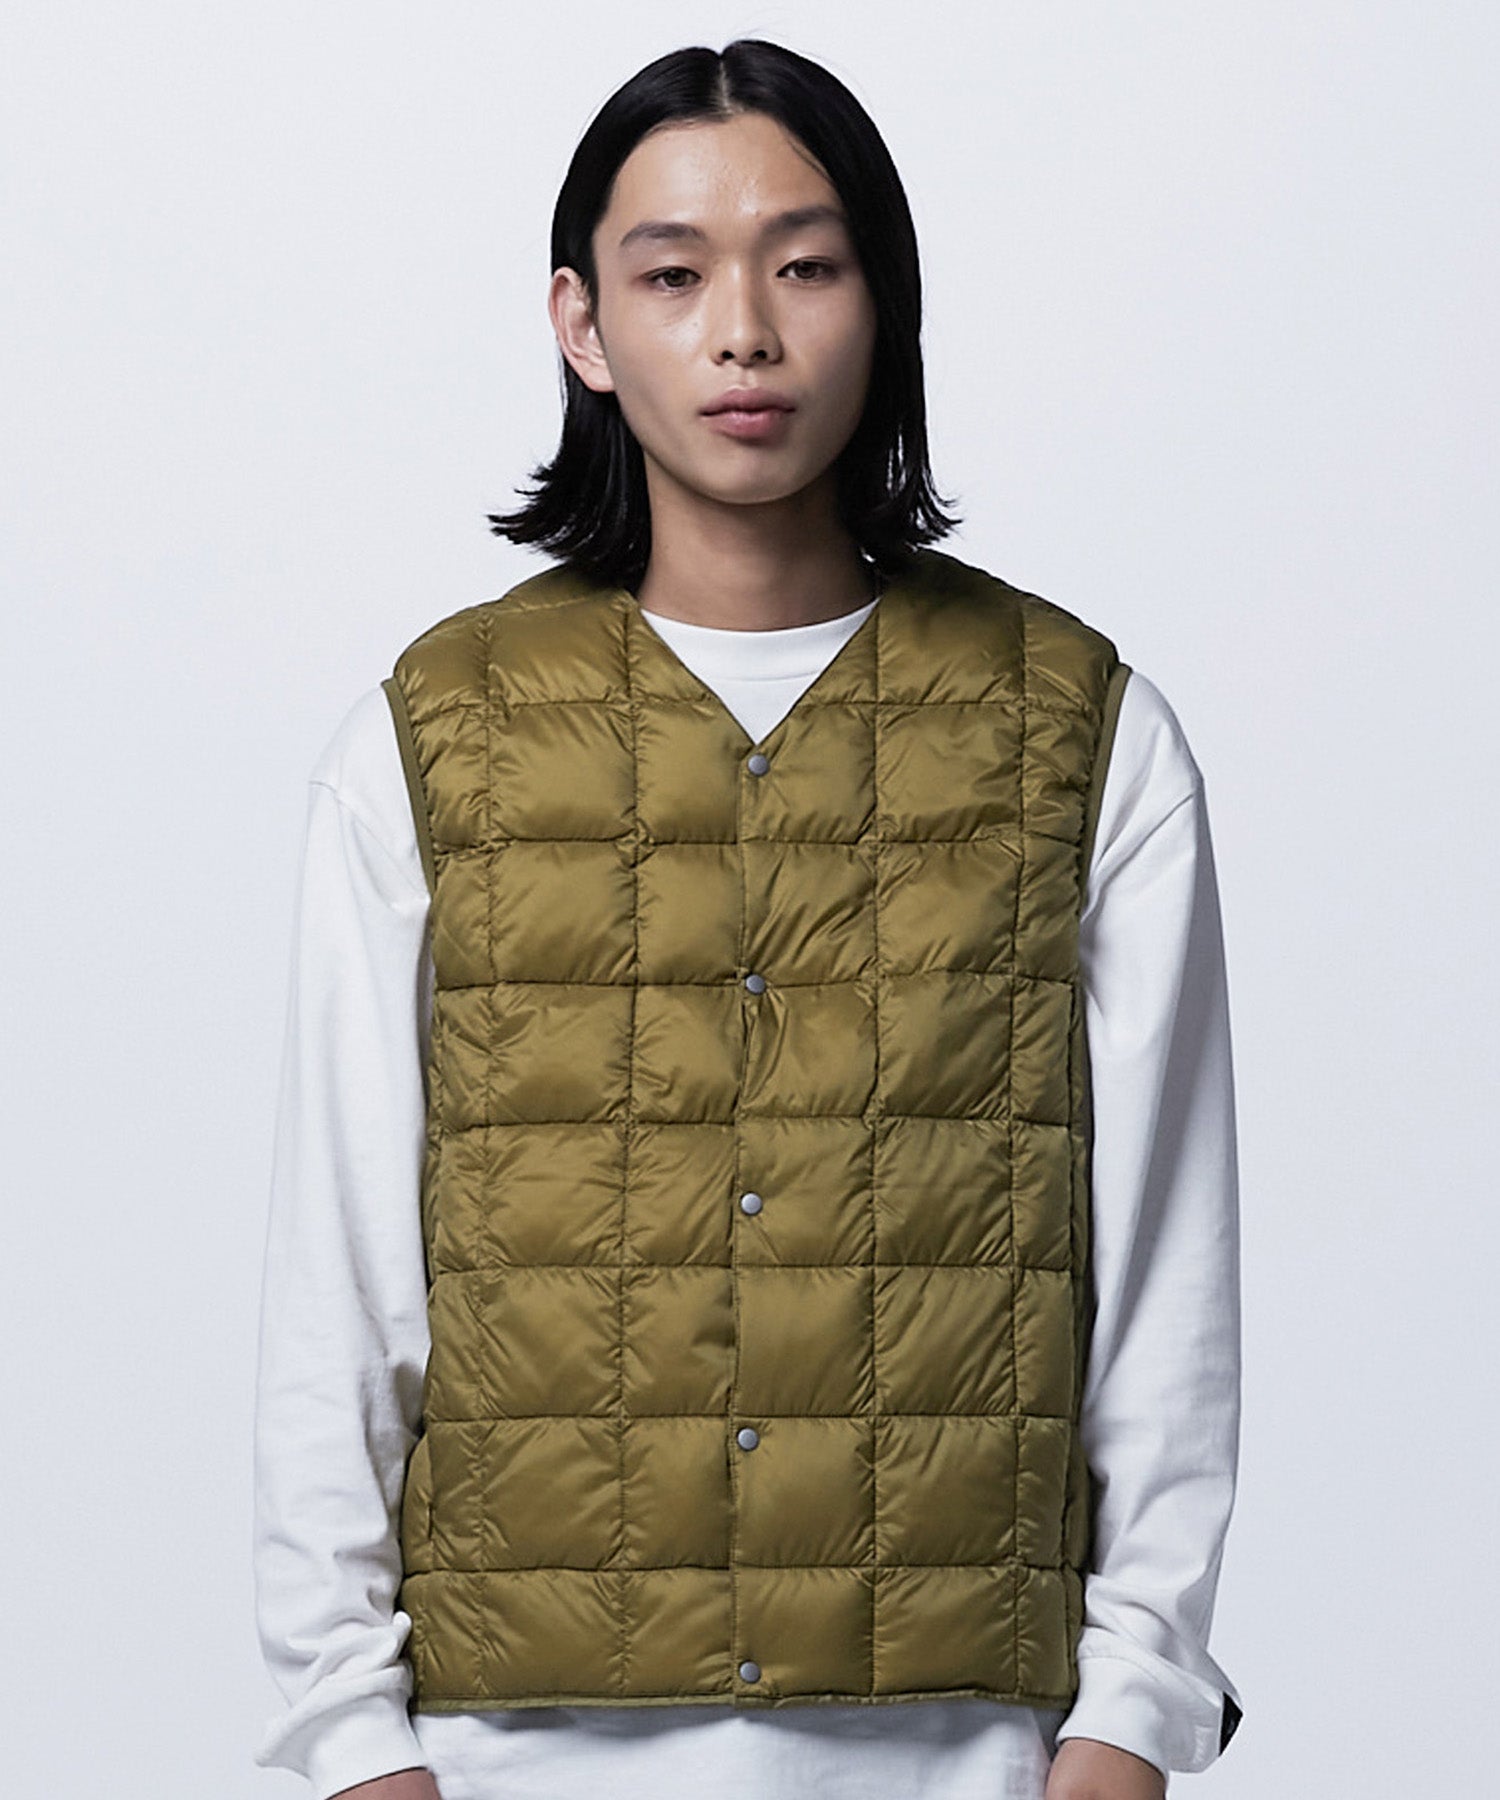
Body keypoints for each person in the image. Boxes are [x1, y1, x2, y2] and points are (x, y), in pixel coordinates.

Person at [252, 38, 1243, 1800]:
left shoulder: (1079, 731)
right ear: (580, 324)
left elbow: (1168, 1263)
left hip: (965, 1744)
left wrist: (1132, 1718)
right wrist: (348, 1740)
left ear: (885, 302)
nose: (744, 334)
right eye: (672, 275)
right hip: (508, 1749)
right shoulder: (436, 736)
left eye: (805, 265)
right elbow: (344, 1274)